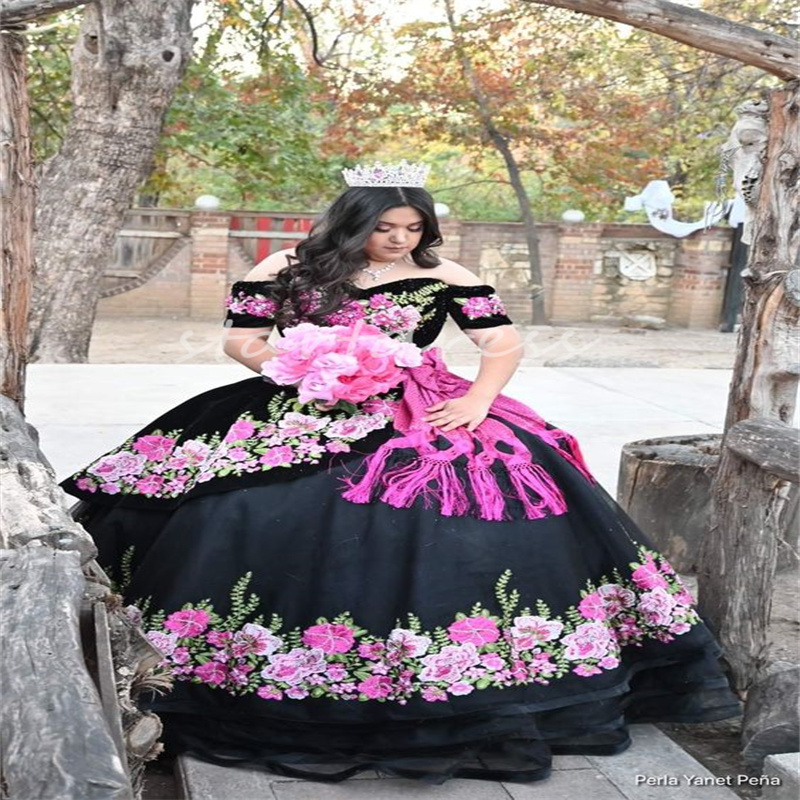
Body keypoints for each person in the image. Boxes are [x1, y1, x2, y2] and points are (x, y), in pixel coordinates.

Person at [61, 160, 741, 784]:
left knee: (464, 519)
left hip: (421, 405)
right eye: (385, 227)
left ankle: (459, 678)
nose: (400, 238)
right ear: (352, 221)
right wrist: (299, 371)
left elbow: (501, 342)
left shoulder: (449, 277)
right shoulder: (285, 268)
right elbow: (242, 338)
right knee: (242, 508)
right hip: (304, 403)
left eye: (414, 227)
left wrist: (476, 400)